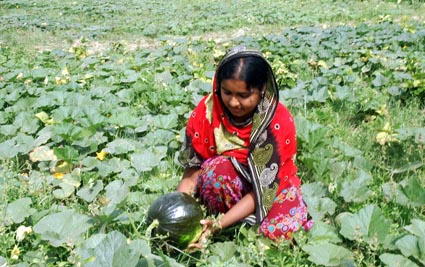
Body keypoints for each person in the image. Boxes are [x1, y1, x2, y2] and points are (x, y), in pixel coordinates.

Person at [177, 46, 313, 247]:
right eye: (227, 92)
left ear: (262, 89)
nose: (233, 102)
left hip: (269, 190)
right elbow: (192, 173)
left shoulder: (275, 121)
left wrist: (217, 225)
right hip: (230, 184)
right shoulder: (207, 112)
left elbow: (264, 192)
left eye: (243, 95)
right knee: (216, 171)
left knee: (280, 233)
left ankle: (230, 222)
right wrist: (177, 216)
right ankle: (232, 221)